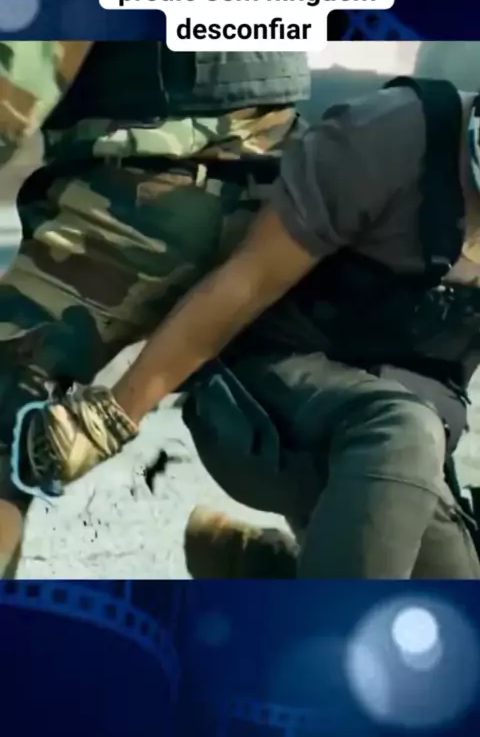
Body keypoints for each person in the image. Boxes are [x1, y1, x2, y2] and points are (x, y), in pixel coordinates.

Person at [27, 71, 480, 579]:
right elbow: (246, 282)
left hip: (404, 464)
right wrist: (116, 414)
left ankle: (264, 569)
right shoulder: (394, 138)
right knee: (401, 428)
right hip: (263, 407)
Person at [0, 39, 310, 577]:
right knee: (346, 421)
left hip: (144, 195)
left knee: (8, 406)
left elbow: (31, 62)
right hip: (288, 200)